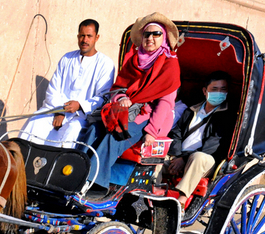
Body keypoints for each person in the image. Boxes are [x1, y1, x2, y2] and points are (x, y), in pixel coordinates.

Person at [76, 13, 182, 193]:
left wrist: (151, 132)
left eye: (156, 34)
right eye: (147, 34)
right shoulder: (134, 60)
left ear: (163, 37)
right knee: (93, 129)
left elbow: (165, 103)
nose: (150, 38)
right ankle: (75, 173)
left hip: (146, 118)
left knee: (115, 136)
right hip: (123, 112)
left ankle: (94, 184)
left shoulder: (170, 65)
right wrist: (121, 98)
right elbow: (118, 88)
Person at [19, 20, 116, 148]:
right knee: (35, 122)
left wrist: (80, 105)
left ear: (96, 37)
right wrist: (60, 112)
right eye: (82, 36)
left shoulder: (105, 64)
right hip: (57, 111)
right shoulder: (67, 58)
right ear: (77, 36)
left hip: (82, 117)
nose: (85, 40)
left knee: (72, 131)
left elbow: (103, 97)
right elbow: (53, 89)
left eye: (89, 36)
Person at [164, 71, 234, 208]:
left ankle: (181, 201)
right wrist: (176, 156)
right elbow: (176, 133)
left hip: (205, 161)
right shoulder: (191, 111)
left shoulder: (227, 116)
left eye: (223, 89)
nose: (219, 93)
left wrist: (183, 159)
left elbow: (212, 145)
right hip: (179, 156)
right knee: (155, 157)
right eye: (214, 89)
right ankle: (152, 194)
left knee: (198, 157)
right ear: (205, 91)